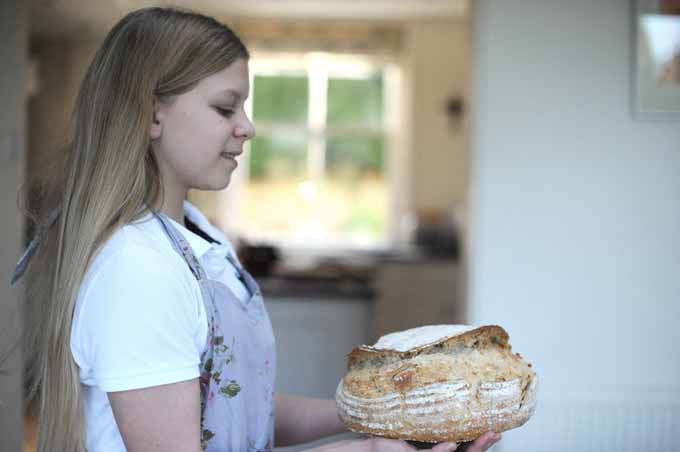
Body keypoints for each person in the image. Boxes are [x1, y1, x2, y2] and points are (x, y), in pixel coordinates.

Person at [10, 7, 501, 452]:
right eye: (225, 108)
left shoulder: (203, 240)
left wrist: (386, 416)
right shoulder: (137, 271)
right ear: (151, 112)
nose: (247, 127)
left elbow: (241, 411)